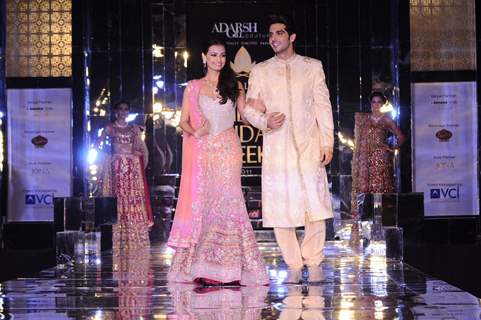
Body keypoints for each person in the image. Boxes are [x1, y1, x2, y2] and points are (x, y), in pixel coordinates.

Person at [167, 37, 268, 286]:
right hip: (203, 152)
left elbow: (245, 116)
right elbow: (183, 121)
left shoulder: (234, 85)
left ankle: (232, 266)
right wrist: (195, 132)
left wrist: (261, 109)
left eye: (222, 55)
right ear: (204, 57)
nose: (218, 60)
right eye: (213, 55)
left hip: (229, 148)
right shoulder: (192, 87)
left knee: (230, 201)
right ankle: (202, 264)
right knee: (205, 204)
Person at [241, 14, 334, 283]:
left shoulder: (312, 66)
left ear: (292, 37)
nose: (274, 39)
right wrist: (265, 121)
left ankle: (313, 259)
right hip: (277, 145)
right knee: (280, 204)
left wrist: (327, 141)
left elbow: (322, 106)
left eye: (279, 33)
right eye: (271, 35)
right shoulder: (260, 70)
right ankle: (293, 263)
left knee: (315, 202)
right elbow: (249, 109)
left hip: (309, 142)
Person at [97, 101, 153, 250]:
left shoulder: (134, 129)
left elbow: (142, 148)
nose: (123, 112)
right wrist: (106, 159)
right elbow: (98, 144)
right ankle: (117, 233)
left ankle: (134, 232)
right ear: (116, 111)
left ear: (128, 112)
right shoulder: (110, 128)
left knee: (132, 197)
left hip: (131, 168)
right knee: (119, 197)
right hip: (117, 168)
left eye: (126, 109)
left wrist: (139, 158)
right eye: (120, 109)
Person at [351, 92, 405, 216]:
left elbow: (401, 137)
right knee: (366, 187)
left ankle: (383, 216)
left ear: (382, 104)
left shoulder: (386, 119)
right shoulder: (364, 119)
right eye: (374, 102)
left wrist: (392, 148)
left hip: (380, 158)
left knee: (381, 187)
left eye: (378, 102)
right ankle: (366, 216)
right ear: (370, 103)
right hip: (365, 158)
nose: (376, 105)